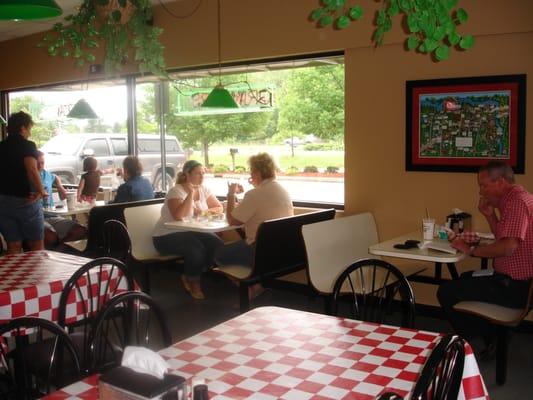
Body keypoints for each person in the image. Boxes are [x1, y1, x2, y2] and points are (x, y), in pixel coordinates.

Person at [437, 161, 533, 355]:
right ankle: (494, 336)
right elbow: (503, 238)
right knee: (464, 278)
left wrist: (470, 250)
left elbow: (508, 247)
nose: (481, 192)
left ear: (501, 182)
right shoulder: (516, 199)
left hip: (514, 287)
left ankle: (484, 340)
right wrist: (489, 215)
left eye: (484, 185)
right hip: (513, 281)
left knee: (446, 292)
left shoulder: (516, 202)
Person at [215, 153, 294, 297]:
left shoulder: (255, 194)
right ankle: (256, 284)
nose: (250, 174)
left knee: (217, 254)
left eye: (251, 170)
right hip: (283, 250)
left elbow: (232, 221)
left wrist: (231, 194)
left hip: (259, 252)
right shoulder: (283, 191)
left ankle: (251, 289)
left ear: (257, 172)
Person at [152, 160, 224, 300]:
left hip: (190, 232)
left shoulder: (204, 189)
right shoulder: (176, 191)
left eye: (203, 173)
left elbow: (219, 207)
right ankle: (194, 282)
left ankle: (191, 273)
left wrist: (202, 212)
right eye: (198, 173)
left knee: (217, 244)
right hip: (165, 235)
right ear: (187, 174)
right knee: (195, 249)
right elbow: (179, 215)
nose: (202, 177)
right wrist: (190, 194)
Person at [0, 111, 47, 254]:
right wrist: (41, 191)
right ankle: (39, 276)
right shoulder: (27, 145)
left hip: (2, 202)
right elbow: (32, 169)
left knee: (13, 245)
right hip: (25, 201)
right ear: (22, 128)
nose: (30, 133)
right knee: (36, 245)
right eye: (29, 129)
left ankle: (14, 276)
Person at [37, 151, 87, 250]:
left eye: (42, 163)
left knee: (81, 230)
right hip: (37, 217)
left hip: (52, 215)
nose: (40, 166)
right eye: (37, 163)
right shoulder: (25, 177)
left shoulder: (46, 174)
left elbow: (55, 177)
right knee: (51, 237)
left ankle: (57, 251)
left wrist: (60, 186)